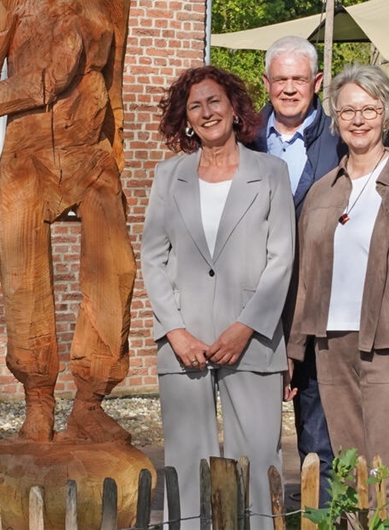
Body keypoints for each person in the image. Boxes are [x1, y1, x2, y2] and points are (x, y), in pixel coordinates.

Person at [0, 0, 134, 443]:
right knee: (26, 279)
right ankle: (38, 402)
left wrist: (118, 148)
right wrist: (36, 84)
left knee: (116, 272)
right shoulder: (7, 7)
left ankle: (90, 400)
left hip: (92, 154)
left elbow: (118, 83)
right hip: (28, 161)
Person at [141, 66, 295, 530]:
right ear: (186, 119)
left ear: (234, 108)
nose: (207, 112)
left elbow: (282, 258)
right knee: (185, 463)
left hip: (252, 340)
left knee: (257, 458)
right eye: (195, 106)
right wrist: (175, 330)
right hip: (182, 341)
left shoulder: (270, 172)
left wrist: (244, 327)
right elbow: (153, 256)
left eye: (214, 102)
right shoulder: (168, 175)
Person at [287, 64, 389, 477]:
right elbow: (306, 280)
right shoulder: (323, 191)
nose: (358, 120)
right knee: (350, 475)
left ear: (386, 115)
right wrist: (294, 351)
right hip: (330, 347)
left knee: (388, 477)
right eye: (347, 111)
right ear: (335, 120)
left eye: (369, 110)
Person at [252, 35, 344, 503]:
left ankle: (319, 512)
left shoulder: (341, 139)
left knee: (319, 423)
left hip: (319, 304)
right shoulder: (242, 138)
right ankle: (262, 513)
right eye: (281, 79)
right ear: (266, 83)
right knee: (256, 425)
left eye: (299, 79)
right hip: (256, 302)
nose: (290, 89)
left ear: (317, 82)